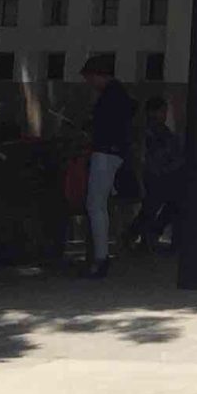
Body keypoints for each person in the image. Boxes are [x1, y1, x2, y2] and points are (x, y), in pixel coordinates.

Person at [80, 60, 136, 279]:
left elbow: (103, 125)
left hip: (105, 152)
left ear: (99, 75)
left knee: (96, 205)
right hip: (113, 153)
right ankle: (101, 255)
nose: (89, 83)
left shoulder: (110, 97)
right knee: (100, 206)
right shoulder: (119, 95)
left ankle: (101, 258)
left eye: (90, 78)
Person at [131, 97, 184, 253]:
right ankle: (142, 236)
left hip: (161, 174)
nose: (164, 114)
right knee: (152, 208)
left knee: (156, 208)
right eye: (162, 111)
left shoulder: (160, 131)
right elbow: (154, 155)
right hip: (155, 174)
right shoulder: (151, 131)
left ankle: (143, 236)